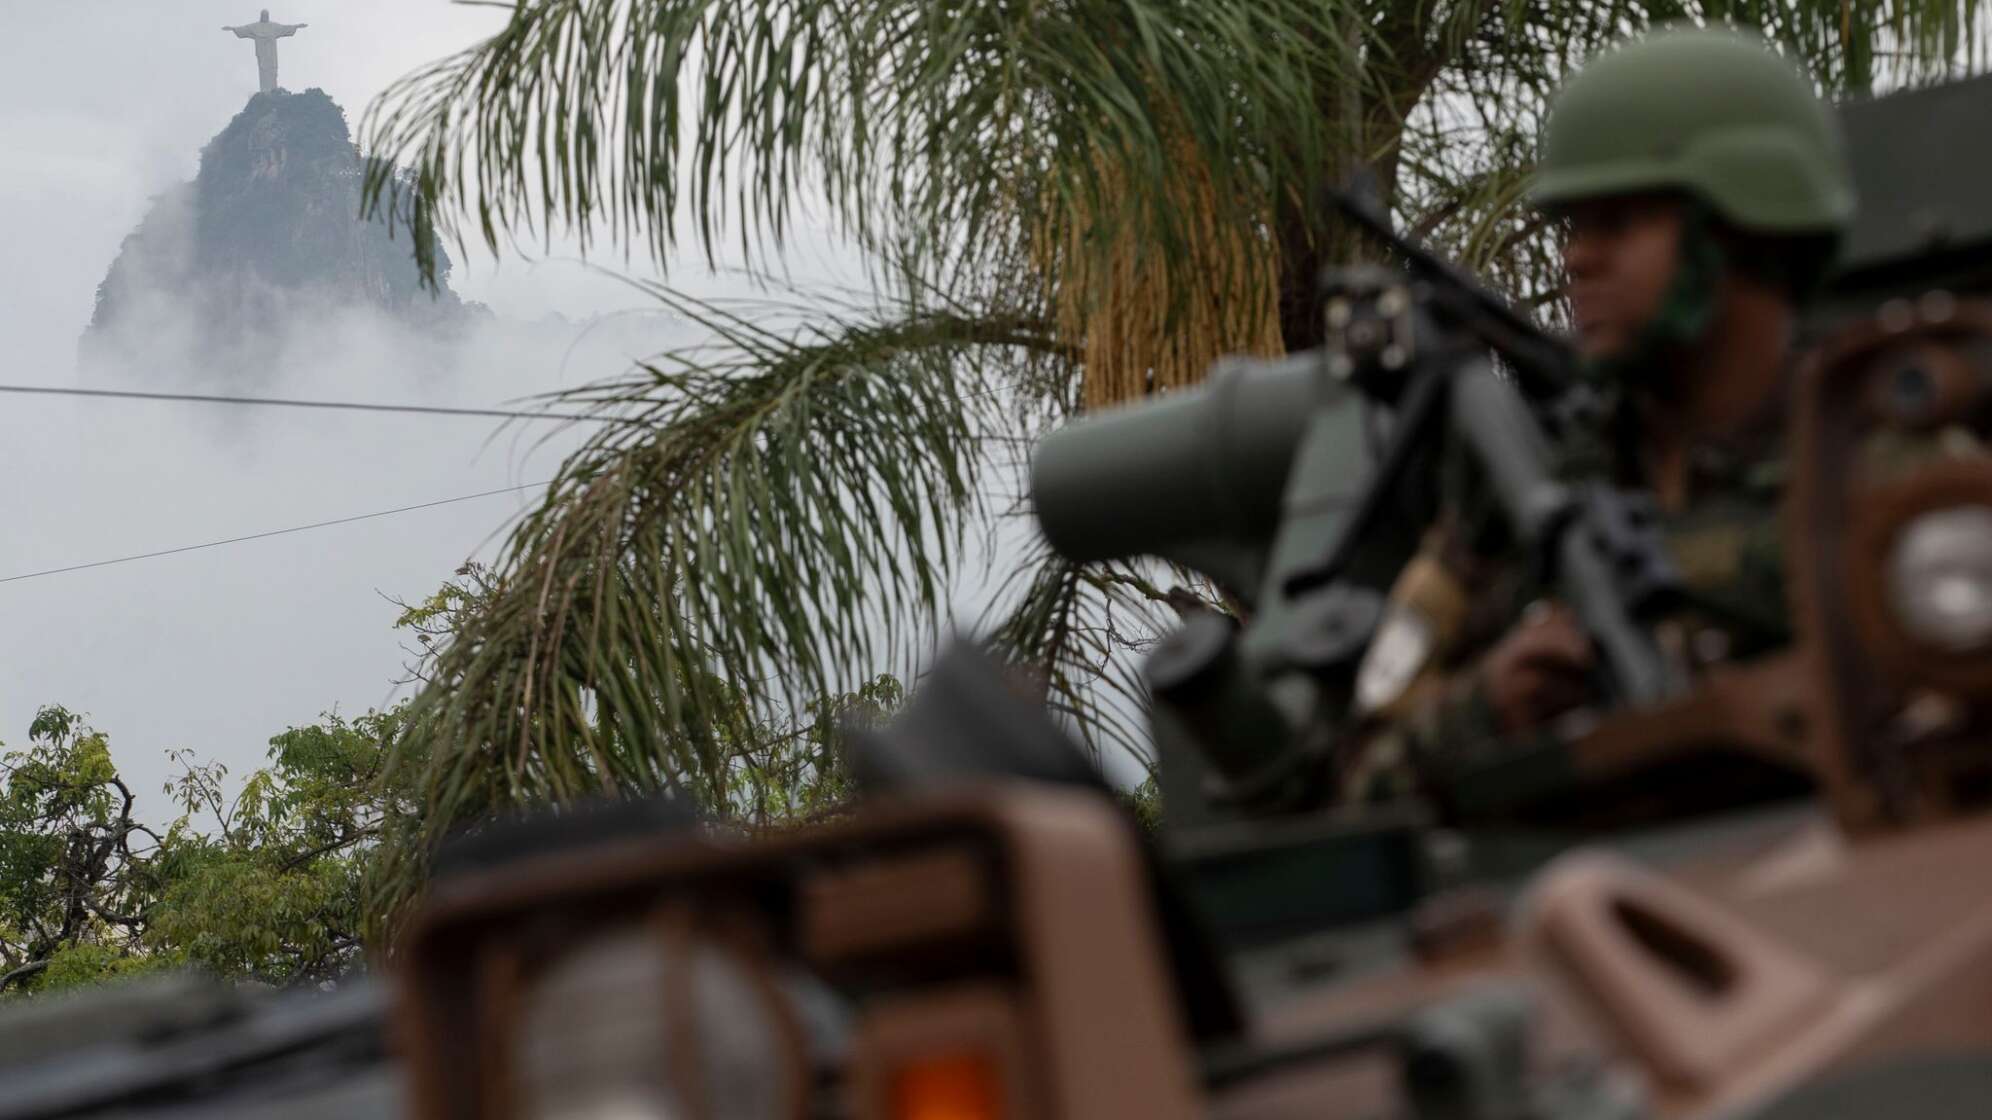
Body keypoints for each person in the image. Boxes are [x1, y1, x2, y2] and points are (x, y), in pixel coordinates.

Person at [1340, 25, 1855, 802]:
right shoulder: (1525, 487)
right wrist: (1489, 704)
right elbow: (1358, 781)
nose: (1578, 259)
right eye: (1573, 229)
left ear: (1738, 225)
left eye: (1618, 223)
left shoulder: (1881, 448)